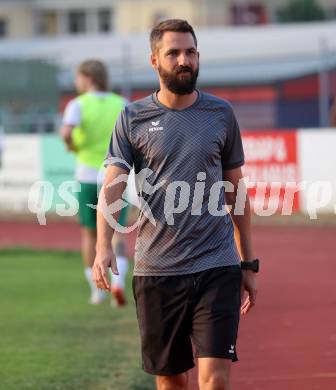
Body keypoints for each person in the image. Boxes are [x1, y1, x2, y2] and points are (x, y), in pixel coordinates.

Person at [93, 19, 258, 390]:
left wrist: (248, 263)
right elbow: (113, 187)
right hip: (157, 271)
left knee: (214, 379)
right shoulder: (133, 118)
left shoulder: (220, 114)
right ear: (155, 61)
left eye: (191, 52)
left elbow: (237, 193)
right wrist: (104, 244)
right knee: (171, 381)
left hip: (217, 265)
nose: (184, 60)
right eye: (174, 53)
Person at [60, 60, 130, 307]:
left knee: (90, 234)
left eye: (78, 78)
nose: (76, 83)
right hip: (115, 175)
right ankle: (119, 284)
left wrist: (73, 147)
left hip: (87, 176)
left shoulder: (77, 105)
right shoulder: (120, 103)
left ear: (88, 78)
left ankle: (97, 290)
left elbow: (67, 133)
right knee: (117, 233)